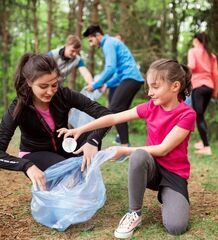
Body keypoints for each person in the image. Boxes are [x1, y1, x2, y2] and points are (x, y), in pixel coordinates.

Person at [57, 59, 196, 238]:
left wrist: (123, 151)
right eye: (148, 87)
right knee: (139, 155)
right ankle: (134, 213)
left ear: (175, 86)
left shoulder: (187, 115)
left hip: (173, 175)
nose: (150, 93)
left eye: (155, 87)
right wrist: (80, 129)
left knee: (176, 228)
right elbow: (114, 118)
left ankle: (168, 195)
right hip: (150, 167)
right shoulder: (151, 107)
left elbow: (163, 149)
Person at [0, 53, 111, 191]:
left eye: (54, 84)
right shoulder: (18, 108)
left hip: (64, 146)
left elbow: (106, 115)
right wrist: (26, 165)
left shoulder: (63, 95)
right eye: (43, 86)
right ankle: (72, 181)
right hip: (35, 153)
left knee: (91, 136)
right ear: (29, 82)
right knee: (67, 176)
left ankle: (80, 180)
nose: (50, 91)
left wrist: (93, 141)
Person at [82, 25, 144, 153]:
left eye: (91, 40)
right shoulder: (112, 42)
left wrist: (95, 84)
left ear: (97, 35)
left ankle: (125, 147)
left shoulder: (108, 43)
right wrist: (107, 84)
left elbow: (110, 68)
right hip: (131, 78)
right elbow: (118, 72)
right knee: (120, 112)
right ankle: (125, 146)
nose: (91, 44)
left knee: (115, 109)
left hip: (131, 78)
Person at [188, 32, 218, 155]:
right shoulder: (211, 55)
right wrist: (215, 92)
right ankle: (202, 141)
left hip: (198, 87)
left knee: (199, 116)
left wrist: (181, 68)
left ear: (196, 40)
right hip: (209, 88)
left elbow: (192, 65)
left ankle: (206, 147)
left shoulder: (193, 51)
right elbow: (215, 74)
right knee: (201, 114)